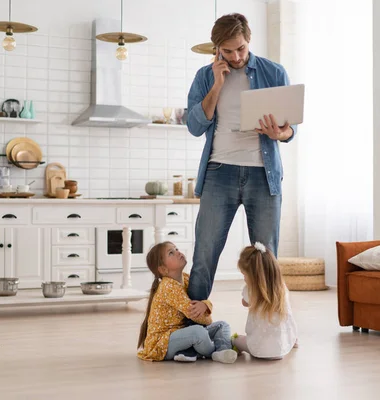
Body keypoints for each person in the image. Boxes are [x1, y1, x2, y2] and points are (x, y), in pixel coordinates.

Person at [186, 13, 298, 302]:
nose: (236, 56)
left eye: (241, 49)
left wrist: (280, 133)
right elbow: (195, 126)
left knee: (266, 255)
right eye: (228, 51)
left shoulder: (274, 72)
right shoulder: (204, 77)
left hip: (263, 174)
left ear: (249, 41)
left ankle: (274, 325)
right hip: (219, 172)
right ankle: (190, 327)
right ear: (217, 50)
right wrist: (217, 85)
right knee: (205, 251)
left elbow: (290, 130)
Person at [136, 242, 237, 364]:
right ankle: (214, 351)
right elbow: (202, 318)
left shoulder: (185, 278)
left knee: (222, 325)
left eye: (176, 249)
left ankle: (223, 351)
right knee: (198, 332)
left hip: (180, 334)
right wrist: (205, 306)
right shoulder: (169, 286)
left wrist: (205, 305)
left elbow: (203, 316)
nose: (178, 252)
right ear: (163, 269)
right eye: (171, 253)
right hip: (162, 343)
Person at [231, 242, 298, 360]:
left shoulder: (250, 290)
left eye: (245, 275)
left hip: (258, 350)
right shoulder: (282, 288)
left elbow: (244, 302)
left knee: (235, 339)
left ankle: (233, 348)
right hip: (282, 348)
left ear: (253, 276)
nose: (244, 279)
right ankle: (292, 340)